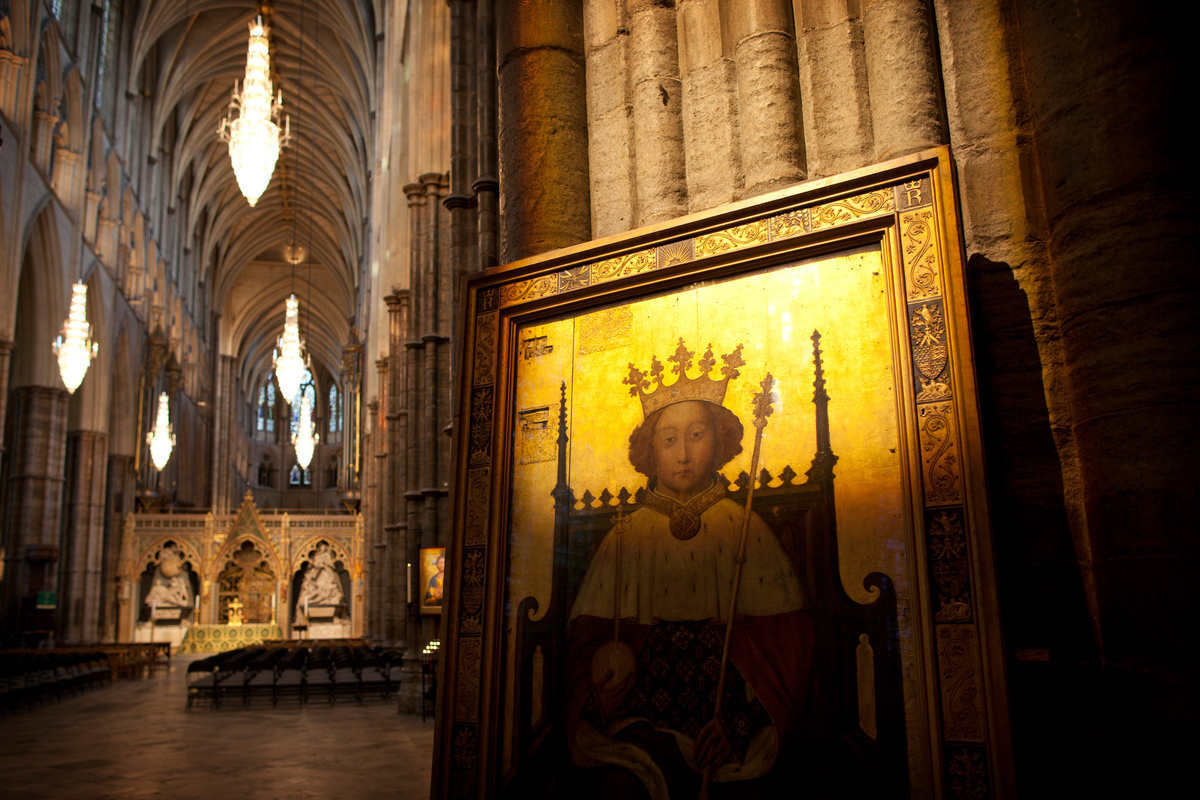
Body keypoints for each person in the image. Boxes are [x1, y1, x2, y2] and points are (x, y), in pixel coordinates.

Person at [565, 344, 815, 800]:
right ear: (649, 449)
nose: (683, 453)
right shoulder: (626, 536)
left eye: (697, 435)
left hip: (729, 725)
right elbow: (585, 643)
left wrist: (741, 724)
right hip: (637, 726)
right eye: (669, 439)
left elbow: (786, 650)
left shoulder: (744, 527)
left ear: (719, 441)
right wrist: (601, 694)